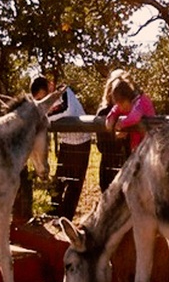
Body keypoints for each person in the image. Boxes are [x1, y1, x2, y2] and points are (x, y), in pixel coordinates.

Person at [30, 76, 91, 220]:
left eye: (42, 97)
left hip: (81, 142)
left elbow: (66, 111)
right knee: (59, 180)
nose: (42, 102)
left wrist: (42, 118)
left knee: (74, 184)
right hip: (66, 143)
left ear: (49, 87)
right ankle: (53, 211)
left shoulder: (64, 91)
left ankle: (66, 218)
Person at [95, 70, 131, 192]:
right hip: (109, 171)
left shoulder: (132, 111)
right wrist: (116, 138)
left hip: (129, 170)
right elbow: (101, 146)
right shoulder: (104, 112)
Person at [105, 74, 156, 152]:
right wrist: (110, 118)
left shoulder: (141, 101)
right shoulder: (128, 102)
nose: (121, 108)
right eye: (118, 104)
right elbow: (115, 110)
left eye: (122, 104)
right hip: (138, 143)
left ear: (128, 97)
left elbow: (135, 117)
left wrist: (121, 123)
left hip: (149, 142)